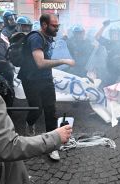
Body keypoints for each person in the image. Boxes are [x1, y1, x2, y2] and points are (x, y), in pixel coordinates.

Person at [0, 57, 73, 184]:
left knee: (47, 109)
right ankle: (31, 129)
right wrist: (55, 138)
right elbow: (7, 147)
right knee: (37, 109)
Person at [17, 14, 75, 161]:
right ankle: (30, 124)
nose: (57, 28)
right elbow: (40, 63)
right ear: (44, 25)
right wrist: (63, 61)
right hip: (31, 80)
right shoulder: (35, 37)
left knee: (51, 111)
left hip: (46, 79)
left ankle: (51, 146)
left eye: (58, 25)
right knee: (36, 109)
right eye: (54, 26)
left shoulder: (49, 37)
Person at [94, 20, 120, 87]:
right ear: (110, 34)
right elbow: (97, 37)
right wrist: (104, 26)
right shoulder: (108, 43)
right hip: (110, 72)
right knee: (106, 89)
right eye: (113, 33)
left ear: (119, 34)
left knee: (119, 89)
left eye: (116, 33)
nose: (114, 35)